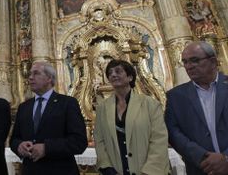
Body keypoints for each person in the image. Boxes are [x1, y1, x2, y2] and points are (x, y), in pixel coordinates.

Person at [10, 62, 87, 175]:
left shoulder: (67, 103)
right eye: (30, 74)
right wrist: (19, 146)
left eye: (36, 73)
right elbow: (14, 139)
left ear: (49, 78)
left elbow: (79, 142)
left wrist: (47, 148)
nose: (30, 77)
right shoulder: (24, 107)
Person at [94, 59, 169, 175]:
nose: (113, 75)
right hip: (116, 170)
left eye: (118, 71)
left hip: (147, 170)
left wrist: (149, 171)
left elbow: (159, 139)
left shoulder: (150, 104)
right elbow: (99, 140)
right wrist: (108, 168)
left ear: (130, 77)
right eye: (110, 73)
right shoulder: (102, 108)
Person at [165, 41, 228, 175]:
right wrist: (202, 157)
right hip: (201, 168)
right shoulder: (176, 96)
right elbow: (174, 133)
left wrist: (226, 159)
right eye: (185, 62)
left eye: (194, 60)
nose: (189, 66)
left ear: (213, 61)